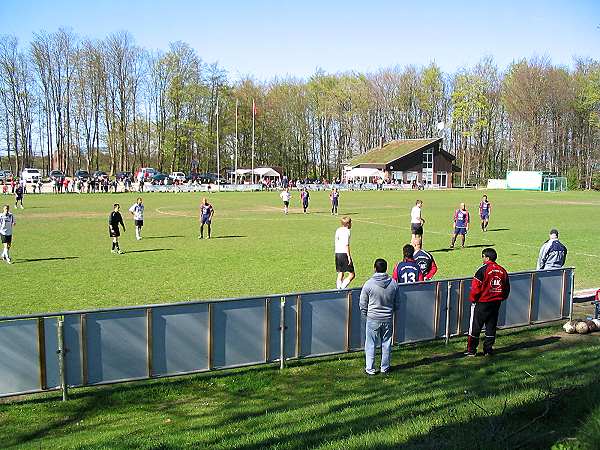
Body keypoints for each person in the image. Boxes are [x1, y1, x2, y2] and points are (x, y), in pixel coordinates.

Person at [465, 248, 510, 357]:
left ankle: (471, 350)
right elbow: (506, 287)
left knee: (475, 326)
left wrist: (473, 299)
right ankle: (488, 350)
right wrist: (501, 297)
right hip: (496, 303)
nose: (482, 259)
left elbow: (475, 287)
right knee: (491, 326)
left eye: (483, 256)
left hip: (482, 302)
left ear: (487, 258)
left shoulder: (482, 270)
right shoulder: (502, 270)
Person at [360, 258, 398, 375]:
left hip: (373, 318)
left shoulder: (369, 284)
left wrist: (365, 313)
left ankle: (370, 369)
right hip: (387, 318)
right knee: (386, 343)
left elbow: (362, 302)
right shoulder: (393, 283)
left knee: (370, 344)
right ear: (386, 268)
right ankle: (384, 367)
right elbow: (397, 302)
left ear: (375, 268)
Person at [334, 216, 355, 289]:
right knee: (352, 274)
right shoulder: (347, 231)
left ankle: (338, 288)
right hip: (344, 254)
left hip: (337, 253)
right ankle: (342, 288)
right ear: (348, 224)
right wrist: (348, 257)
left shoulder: (338, 230)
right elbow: (346, 245)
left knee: (341, 273)